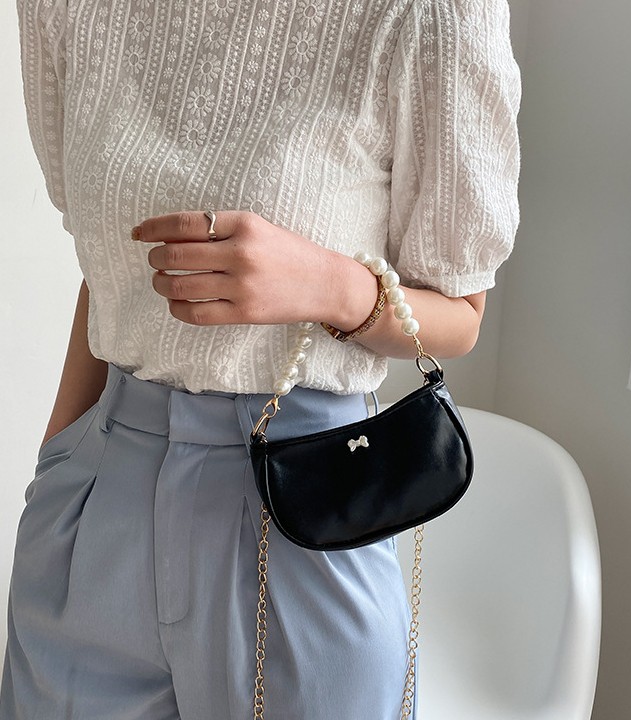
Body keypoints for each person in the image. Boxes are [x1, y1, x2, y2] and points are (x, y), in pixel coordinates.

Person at [0, 0, 521, 717]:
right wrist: (56, 466)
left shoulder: (429, 13)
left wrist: (329, 285)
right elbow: (109, 271)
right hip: (98, 511)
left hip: (305, 510)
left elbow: (459, 317)